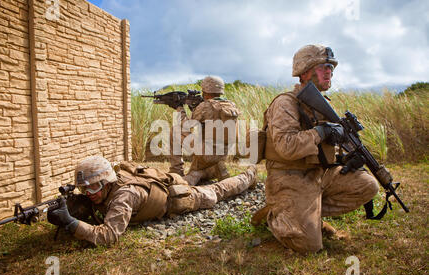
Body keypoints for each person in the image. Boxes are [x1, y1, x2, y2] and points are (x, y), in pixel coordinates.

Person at [256, 44, 379, 254]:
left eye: (331, 67)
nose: (329, 71)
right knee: (309, 246)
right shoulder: (286, 103)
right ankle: (277, 214)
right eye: (323, 67)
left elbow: (325, 148)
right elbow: (287, 146)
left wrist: (347, 159)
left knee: (368, 185)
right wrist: (320, 132)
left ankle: (306, 213)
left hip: (319, 174)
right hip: (290, 177)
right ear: (305, 72)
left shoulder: (321, 104)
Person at [48, 155, 256, 246]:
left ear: (108, 181)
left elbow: (108, 236)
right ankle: (203, 171)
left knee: (216, 191)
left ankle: (249, 176)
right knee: (189, 179)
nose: (89, 193)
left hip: (177, 198)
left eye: (94, 186)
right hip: (163, 182)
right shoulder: (107, 183)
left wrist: (72, 223)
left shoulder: (124, 197)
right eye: (84, 189)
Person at [168, 76, 240, 185]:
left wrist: (179, 108)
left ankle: (176, 170)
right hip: (223, 153)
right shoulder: (231, 105)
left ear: (205, 91)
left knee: (176, 130)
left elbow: (187, 125)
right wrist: (195, 108)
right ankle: (216, 168)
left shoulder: (205, 106)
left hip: (206, 154)